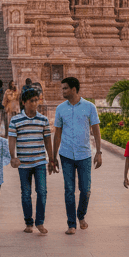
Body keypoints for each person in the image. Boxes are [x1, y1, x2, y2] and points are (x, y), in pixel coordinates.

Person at [52, 76, 102, 234]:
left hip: (84, 154)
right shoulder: (60, 109)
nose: (63, 91)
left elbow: (96, 130)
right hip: (66, 154)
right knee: (69, 190)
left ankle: (81, 215)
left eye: (65, 88)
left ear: (74, 89)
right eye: (63, 88)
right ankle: (71, 224)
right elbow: (57, 134)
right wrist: (53, 156)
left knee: (86, 189)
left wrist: (99, 152)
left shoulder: (89, 107)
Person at [8, 88, 54, 234]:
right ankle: (29, 222)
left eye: (36, 100)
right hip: (24, 163)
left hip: (40, 161)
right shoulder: (16, 120)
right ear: (24, 102)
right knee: (26, 193)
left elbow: (47, 140)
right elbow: (12, 139)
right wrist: (13, 156)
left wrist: (51, 159)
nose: (34, 103)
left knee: (42, 191)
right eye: (31, 101)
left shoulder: (43, 119)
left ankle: (40, 222)